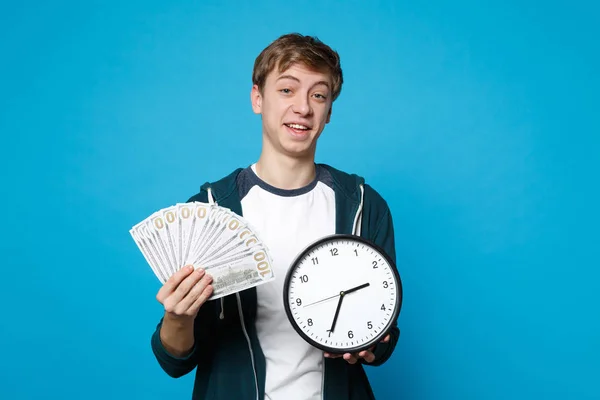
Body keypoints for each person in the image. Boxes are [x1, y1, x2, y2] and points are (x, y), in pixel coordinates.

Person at [150, 33, 400, 400]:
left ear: (329, 111)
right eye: (287, 90)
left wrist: (371, 343)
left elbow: (385, 335)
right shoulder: (210, 209)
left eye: (318, 94)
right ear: (257, 98)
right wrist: (178, 317)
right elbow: (175, 361)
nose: (303, 107)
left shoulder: (363, 205)